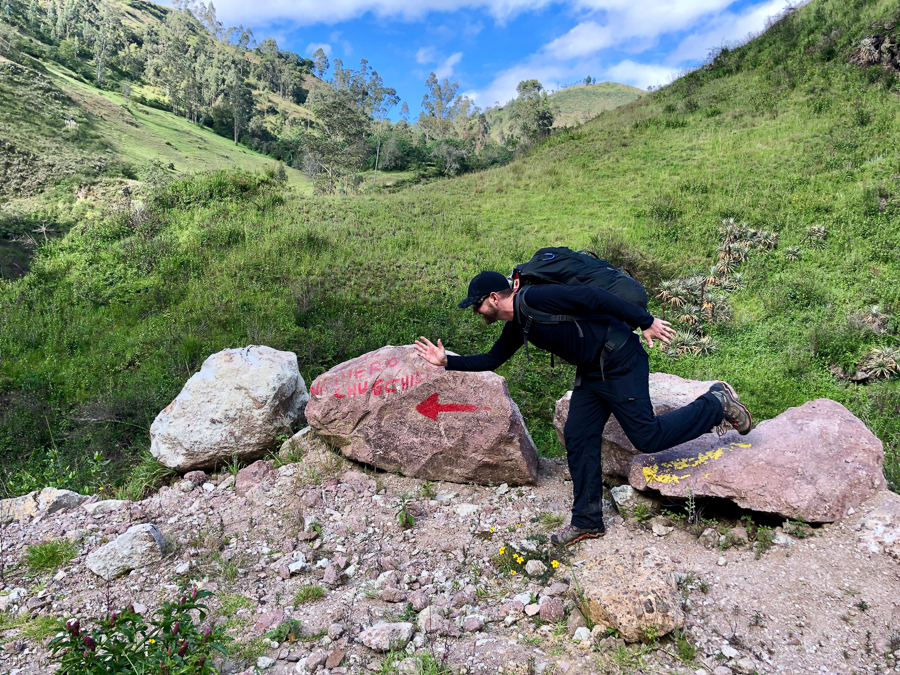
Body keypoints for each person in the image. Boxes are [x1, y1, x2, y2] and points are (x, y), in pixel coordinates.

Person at [414, 271, 753, 547]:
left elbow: (596, 299)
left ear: (493, 299)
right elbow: (493, 359)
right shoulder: (519, 323)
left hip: (620, 360)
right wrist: (448, 362)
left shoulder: (535, 299)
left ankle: (715, 403)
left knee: (646, 436)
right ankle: (588, 521)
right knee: (578, 434)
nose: (476, 313)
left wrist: (644, 321)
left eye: (476, 306)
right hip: (593, 372)